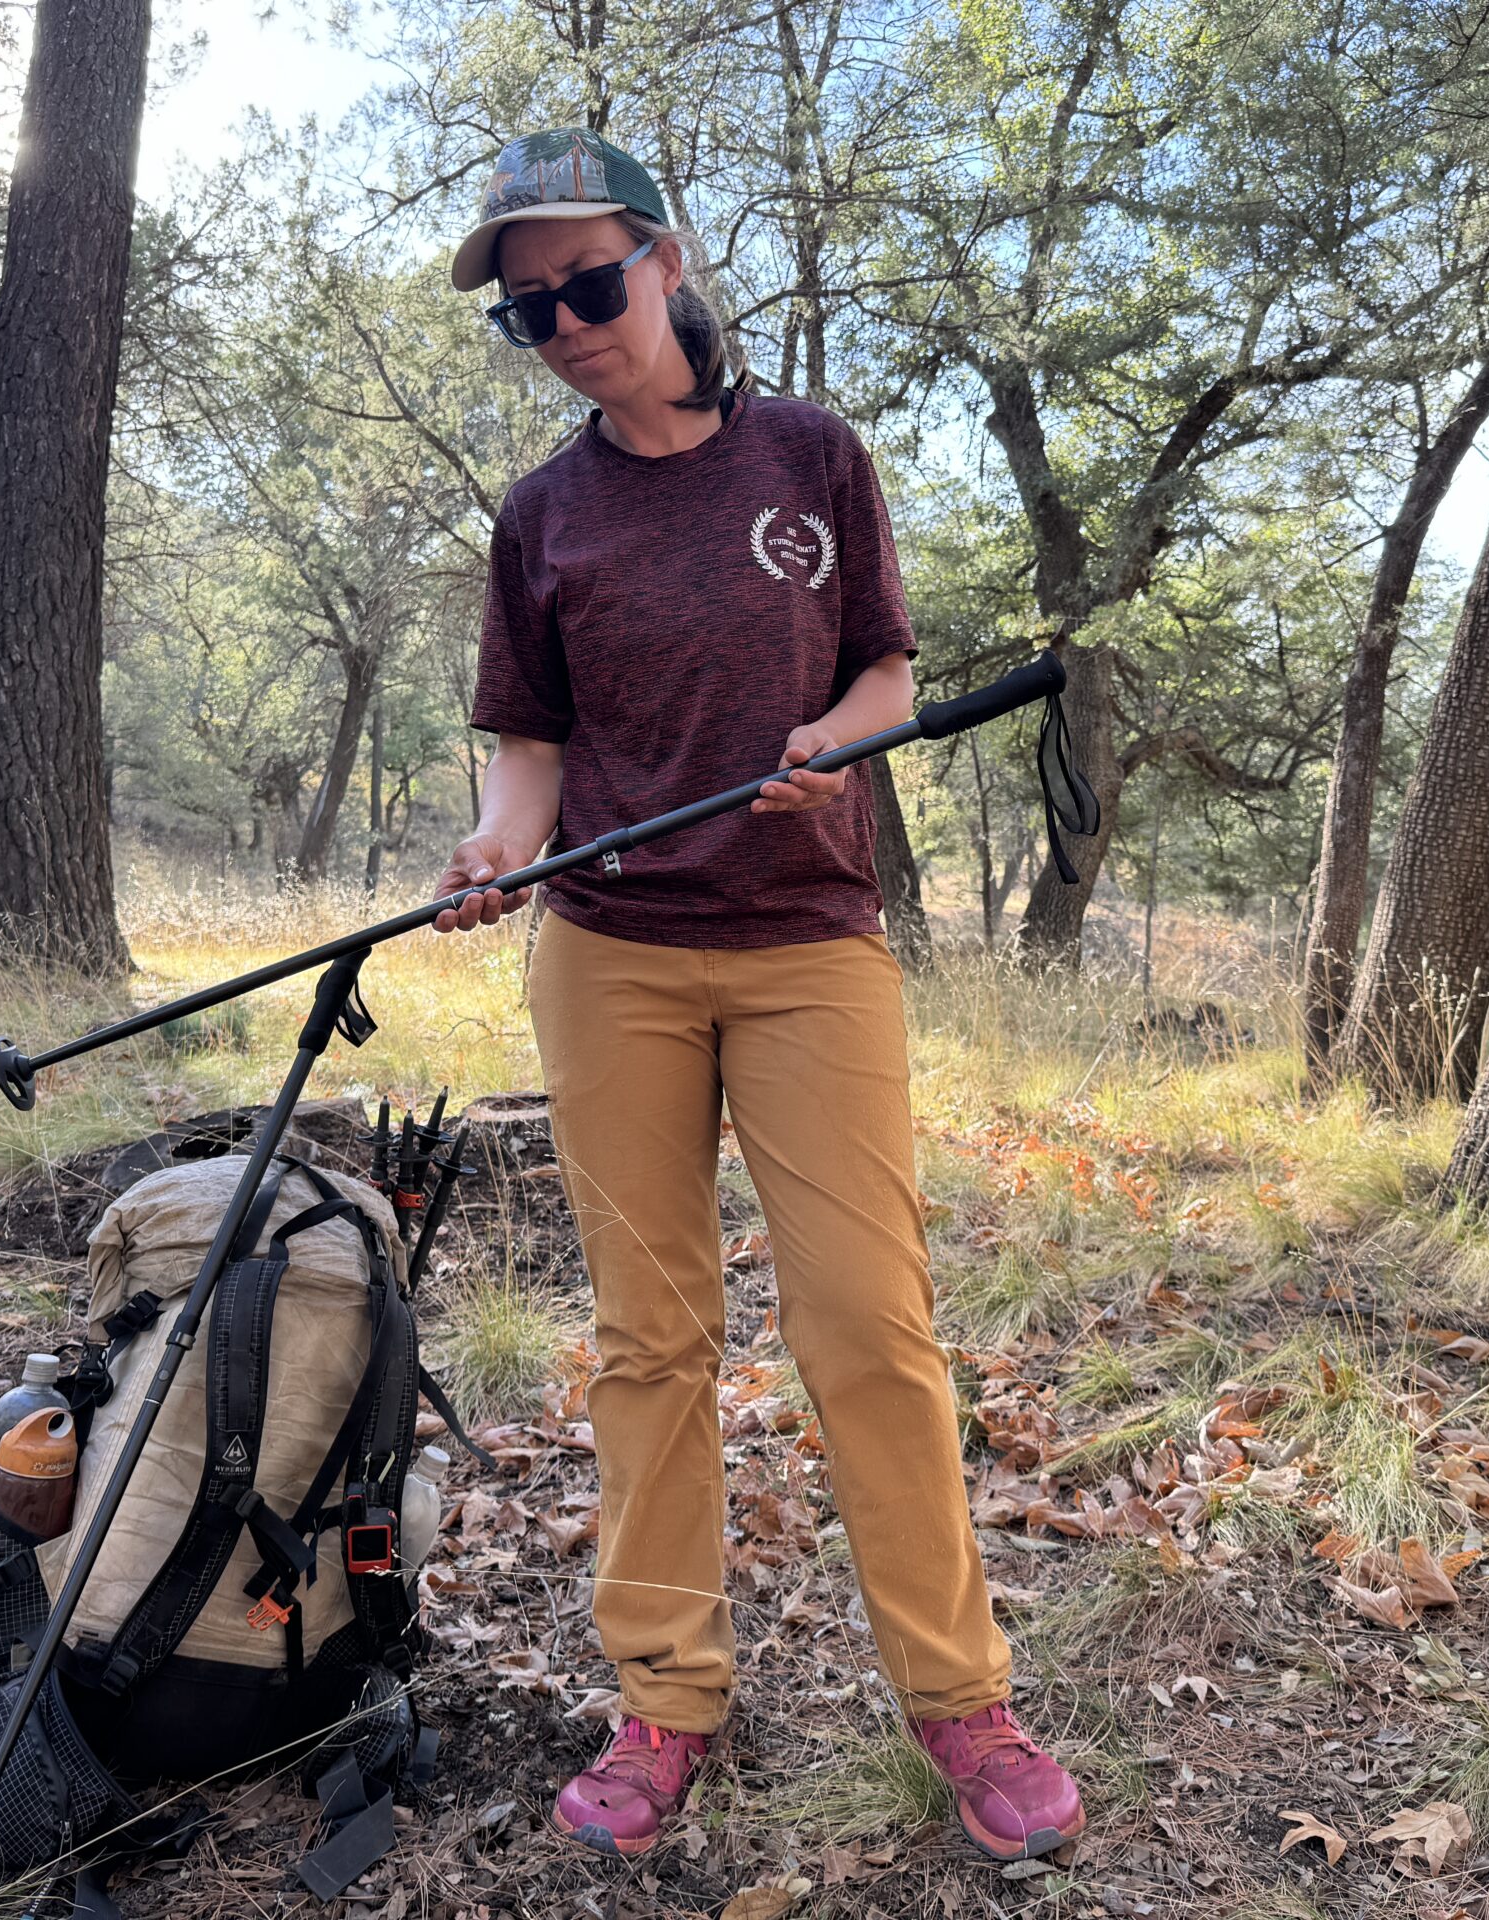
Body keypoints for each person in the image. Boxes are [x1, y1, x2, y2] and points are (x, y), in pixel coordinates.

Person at [431, 129, 1086, 1865]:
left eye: (585, 283)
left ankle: (961, 1697)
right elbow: (528, 751)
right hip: (613, 955)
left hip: (809, 942)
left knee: (868, 1327)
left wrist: (842, 747)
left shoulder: (814, 453)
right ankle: (665, 1699)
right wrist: (496, 849)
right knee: (652, 1344)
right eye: (526, 312)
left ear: (666, 256)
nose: (564, 325)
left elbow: (885, 664)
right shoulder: (541, 516)